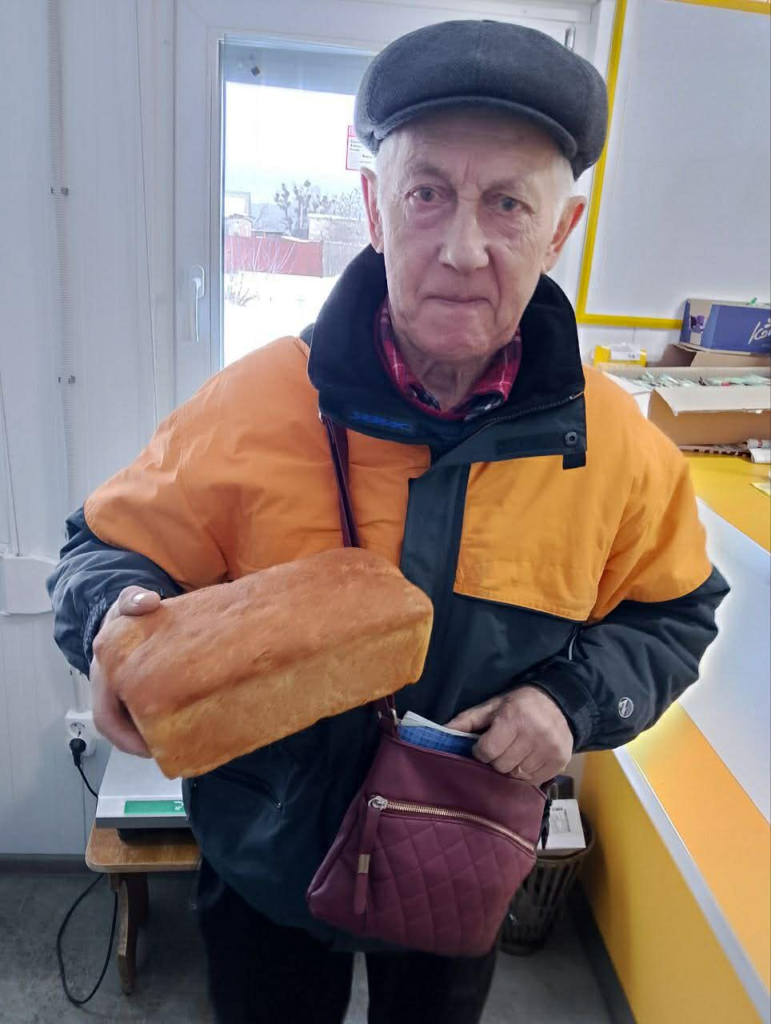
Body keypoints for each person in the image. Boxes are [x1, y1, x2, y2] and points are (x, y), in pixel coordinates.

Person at [47, 20, 728, 1024]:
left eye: (507, 203)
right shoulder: (256, 403)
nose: (462, 246)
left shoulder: (614, 447)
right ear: (374, 204)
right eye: (428, 194)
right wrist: (115, 618)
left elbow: (674, 614)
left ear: (562, 228)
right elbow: (100, 550)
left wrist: (571, 707)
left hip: (458, 866)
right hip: (265, 865)